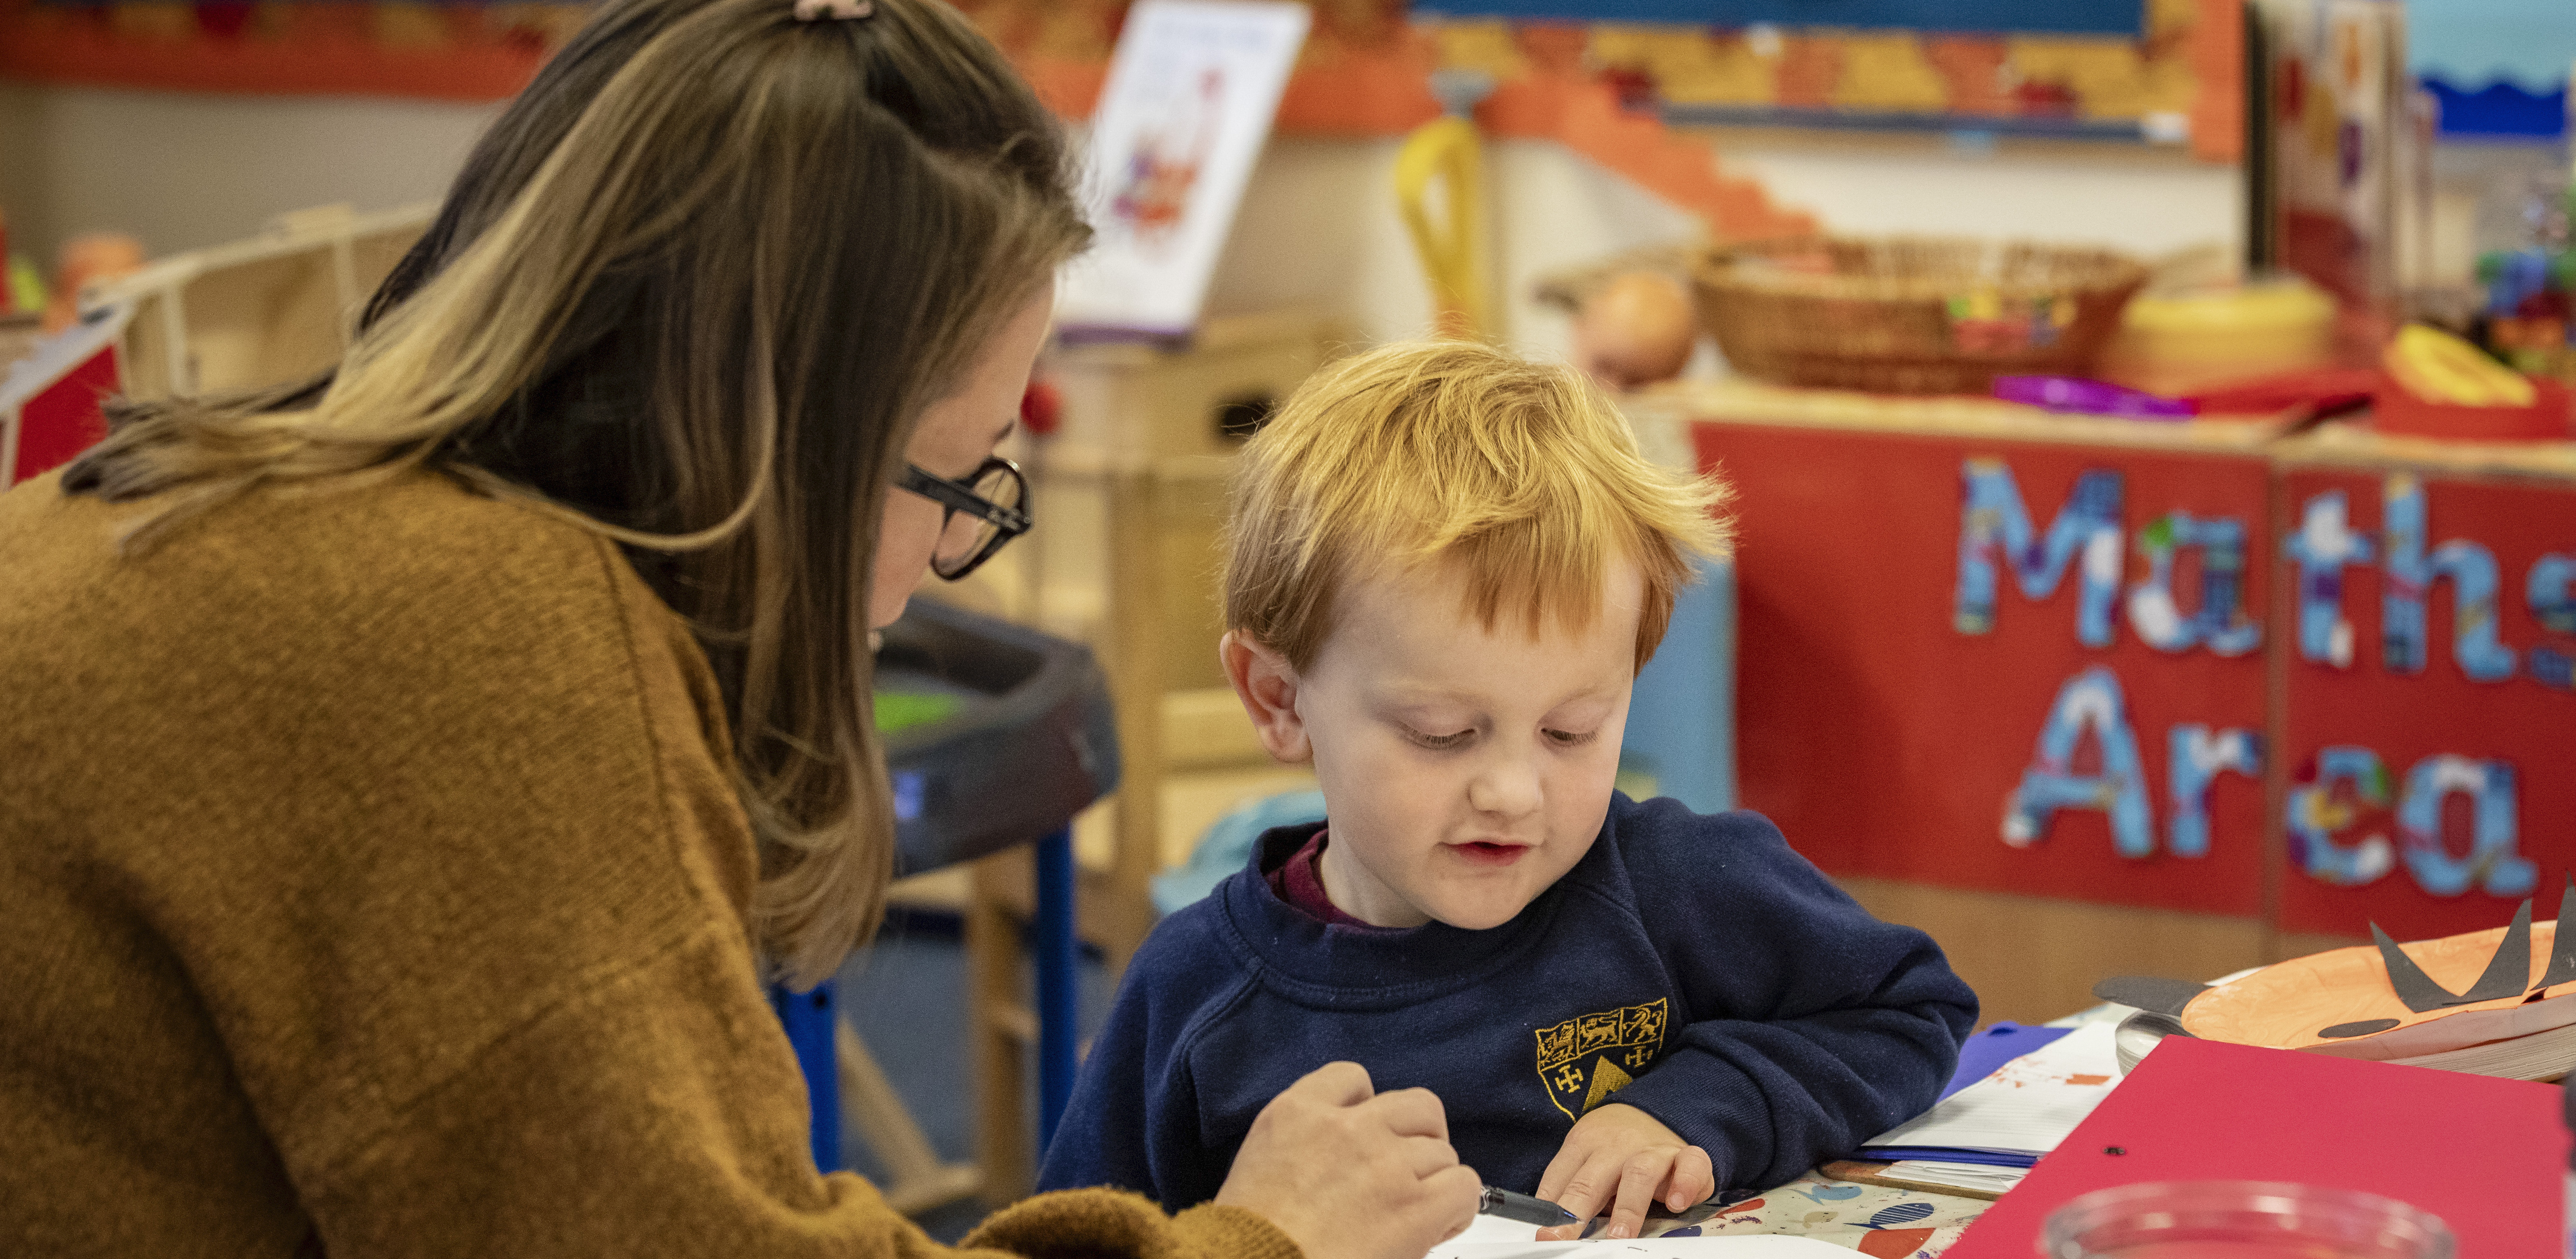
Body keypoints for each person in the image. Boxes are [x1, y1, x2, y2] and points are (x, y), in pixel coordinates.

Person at [0, 1, 1481, 1256]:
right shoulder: (471, 643)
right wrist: (1260, 1235)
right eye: (947, 479)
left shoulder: (241, 505)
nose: (938, 561)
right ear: (763, 441)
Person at [1037, 341, 1979, 1240]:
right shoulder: (1194, 996)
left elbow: (1908, 1009)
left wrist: (1690, 1105)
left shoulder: (1677, 883)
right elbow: (1065, 1247)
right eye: (1441, 734)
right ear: (1280, 700)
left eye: (1570, 731)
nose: (1515, 794)